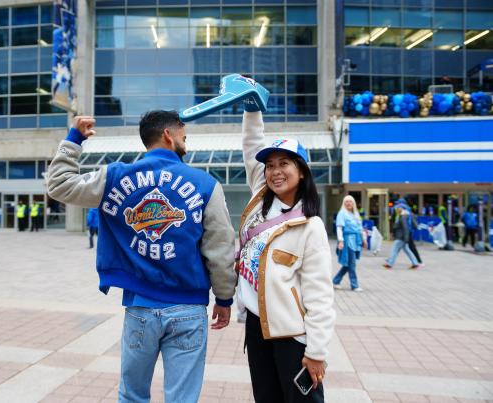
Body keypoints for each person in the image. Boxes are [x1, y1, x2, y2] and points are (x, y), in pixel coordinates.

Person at [47, 111, 237, 403]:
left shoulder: (115, 176)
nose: (186, 140)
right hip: (188, 308)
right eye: (184, 135)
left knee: (133, 396)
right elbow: (221, 249)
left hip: (141, 308)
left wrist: (74, 139)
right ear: (168, 136)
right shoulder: (205, 184)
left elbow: (58, 185)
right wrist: (224, 299)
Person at [236, 108, 335, 403]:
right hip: (256, 327)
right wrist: (251, 106)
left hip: (291, 335)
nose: (275, 171)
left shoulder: (310, 226)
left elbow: (320, 295)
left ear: (301, 170)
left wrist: (316, 352)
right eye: (270, 165)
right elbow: (252, 143)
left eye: (284, 164)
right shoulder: (259, 201)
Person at [333, 195, 366, 292]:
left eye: (350, 201)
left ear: (353, 203)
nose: (348, 203)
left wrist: (363, 239)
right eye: (346, 201)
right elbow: (339, 228)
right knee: (352, 263)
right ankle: (354, 285)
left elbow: (360, 228)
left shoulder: (355, 214)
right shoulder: (342, 213)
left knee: (348, 263)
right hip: (348, 241)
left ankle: (335, 281)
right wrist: (341, 241)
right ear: (344, 203)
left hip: (356, 241)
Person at [383, 204, 419, 269]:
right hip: (402, 236)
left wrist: (406, 238)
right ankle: (415, 263)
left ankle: (389, 263)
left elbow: (405, 227)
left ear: (402, 209)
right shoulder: (404, 216)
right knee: (407, 250)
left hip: (401, 236)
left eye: (398, 208)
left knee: (394, 249)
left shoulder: (403, 217)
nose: (397, 210)